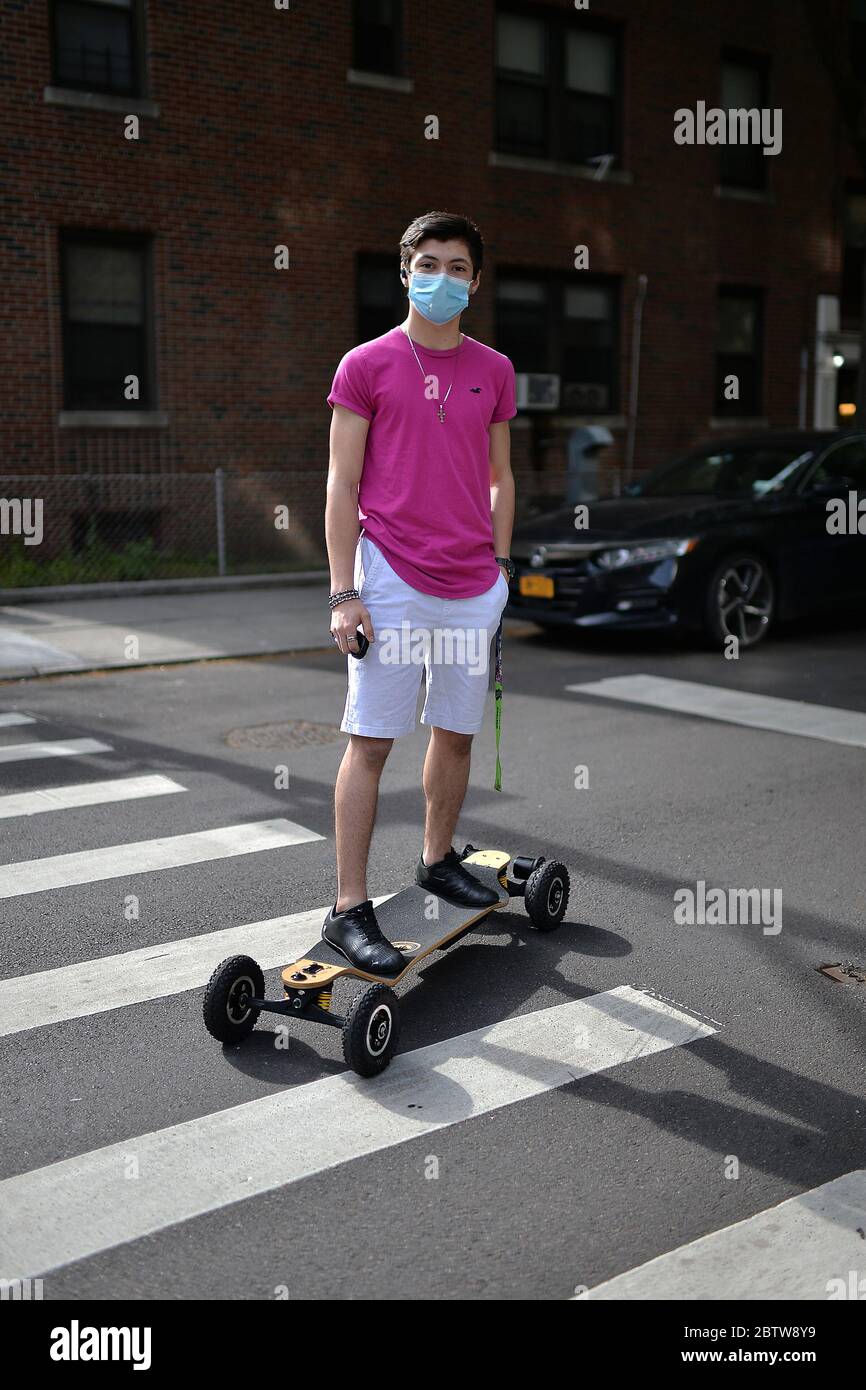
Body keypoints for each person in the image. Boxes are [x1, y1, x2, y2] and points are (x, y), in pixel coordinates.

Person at [323, 210, 516, 972]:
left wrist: (501, 569)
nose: (442, 278)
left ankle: (438, 859)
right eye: (427, 264)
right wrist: (345, 593)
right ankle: (348, 909)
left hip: (474, 587)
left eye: (458, 266)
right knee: (371, 742)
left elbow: (501, 477)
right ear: (405, 273)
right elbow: (340, 484)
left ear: (476, 280)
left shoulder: (494, 369)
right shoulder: (365, 364)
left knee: (457, 732)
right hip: (393, 575)